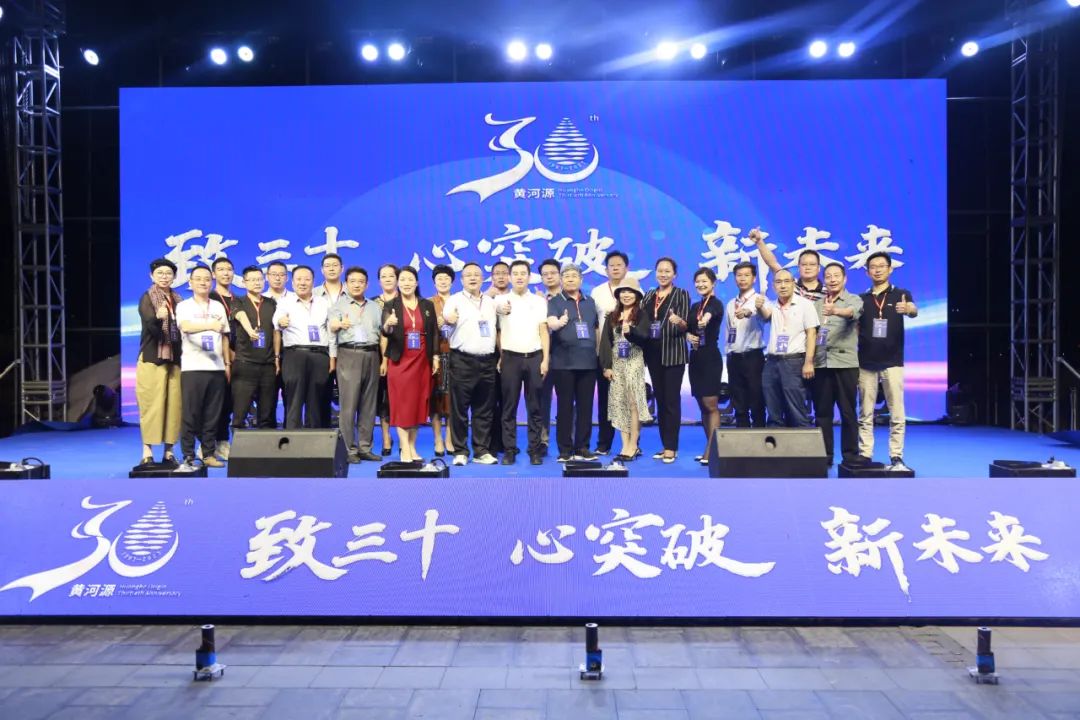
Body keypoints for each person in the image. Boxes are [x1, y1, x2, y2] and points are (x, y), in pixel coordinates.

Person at [857, 251, 917, 471]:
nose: (877, 270)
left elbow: (913, 311)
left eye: (882, 266)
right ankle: (865, 454)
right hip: (866, 363)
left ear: (890, 269)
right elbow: (856, 328)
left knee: (897, 412)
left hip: (893, 362)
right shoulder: (862, 299)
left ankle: (896, 456)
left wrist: (909, 309)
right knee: (865, 413)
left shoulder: (901, 294)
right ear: (867, 272)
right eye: (873, 267)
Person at [442, 262, 500, 465]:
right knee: (459, 408)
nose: (473, 278)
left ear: (482, 278)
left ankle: (481, 451)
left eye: (477, 274)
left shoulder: (491, 302)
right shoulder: (454, 300)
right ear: (462, 280)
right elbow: (445, 328)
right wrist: (447, 320)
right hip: (462, 360)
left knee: (484, 409)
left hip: (487, 361)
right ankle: (460, 451)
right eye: (468, 275)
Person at [381, 266, 439, 463]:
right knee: (401, 405)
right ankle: (404, 447)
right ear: (398, 283)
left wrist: (435, 357)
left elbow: (434, 332)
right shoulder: (391, 305)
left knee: (417, 405)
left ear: (416, 282)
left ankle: (412, 446)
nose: (406, 283)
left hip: (422, 360)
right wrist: (388, 324)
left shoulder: (427, 305)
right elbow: (385, 331)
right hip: (400, 361)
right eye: (402, 279)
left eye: (410, 279)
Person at [175, 265, 230, 468]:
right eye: (198, 279)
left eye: (207, 279)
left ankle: (208, 454)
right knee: (191, 414)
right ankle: (188, 455)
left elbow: (224, 336)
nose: (203, 282)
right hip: (193, 368)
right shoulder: (184, 306)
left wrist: (226, 363)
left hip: (216, 368)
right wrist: (209, 325)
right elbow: (186, 327)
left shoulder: (218, 306)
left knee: (212, 414)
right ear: (190, 282)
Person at [496, 260, 550, 466]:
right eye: (515, 273)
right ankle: (509, 450)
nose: (519, 277)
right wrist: (501, 355)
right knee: (509, 407)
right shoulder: (500, 301)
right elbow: (496, 331)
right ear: (510, 277)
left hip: (535, 357)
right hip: (510, 358)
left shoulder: (538, 301)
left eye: (523, 273)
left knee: (535, 407)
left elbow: (543, 330)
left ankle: (534, 450)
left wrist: (546, 359)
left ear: (529, 277)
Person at [329, 267, 384, 463]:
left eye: (361, 281)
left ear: (367, 285)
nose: (357, 285)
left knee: (369, 404)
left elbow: (382, 333)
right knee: (349, 404)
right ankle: (348, 449)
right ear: (346, 284)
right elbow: (331, 327)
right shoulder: (338, 306)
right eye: (352, 281)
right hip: (349, 354)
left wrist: (384, 359)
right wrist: (337, 325)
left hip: (372, 354)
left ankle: (364, 447)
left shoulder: (375, 307)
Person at [590, 251, 641, 455]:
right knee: (606, 400)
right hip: (605, 353)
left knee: (631, 401)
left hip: (631, 355)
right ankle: (604, 443)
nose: (616, 268)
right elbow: (594, 324)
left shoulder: (637, 290)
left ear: (626, 268)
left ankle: (633, 444)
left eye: (619, 265)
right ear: (606, 269)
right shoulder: (597, 292)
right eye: (612, 265)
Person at [547, 265, 600, 462]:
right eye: (566, 276)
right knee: (565, 407)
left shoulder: (590, 302)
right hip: (563, 363)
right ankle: (565, 449)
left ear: (581, 280)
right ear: (561, 280)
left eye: (574, 276)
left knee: (586, 408)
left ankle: (582, 448)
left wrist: (598, 354)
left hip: (588, 363)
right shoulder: (555, 301)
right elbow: (550, 323)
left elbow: (595, 329)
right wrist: (558, 323)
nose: (570, 279)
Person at [812, 262, 863, 466]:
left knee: (848, 411)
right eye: (828, 276)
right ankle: (824, 455)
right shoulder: (817, 304)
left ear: (844, 279)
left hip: (845, 364)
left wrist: (835, 311)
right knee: (822, 412)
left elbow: (852, 312)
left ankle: (850, 454)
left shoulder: (853, 299)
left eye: (836, 276)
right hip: (821, 364)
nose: (832, 279)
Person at [642, 257, 691, 463]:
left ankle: (672, 446)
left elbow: (686, 325)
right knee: (660, 400)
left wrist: (679, 322)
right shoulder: (649, 295)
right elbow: (641, 319)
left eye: (667, 271)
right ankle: (665, 444)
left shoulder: (681, 294)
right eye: (660, 271)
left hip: (673, 354)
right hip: (653, 354)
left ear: (674, 275)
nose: (663, 274)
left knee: (671, 400)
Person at [135, 258, 183, 467]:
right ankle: (147, 452)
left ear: (174, 277)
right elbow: (151, 326)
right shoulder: (147, 297)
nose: (164, 277)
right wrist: (159, 317)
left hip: (175, 359)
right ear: (151, 276)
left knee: (174, 406)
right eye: (160, 273)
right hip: (152, 358)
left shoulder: (178, 299)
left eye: (168, 273)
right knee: (151, 405)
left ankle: (169, 451)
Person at [758, 269, 819, 427]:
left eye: (787, 281)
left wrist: (809, 362)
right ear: (774, 286)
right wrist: (759, 306)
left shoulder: (805, 305)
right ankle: (776, 441)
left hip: (794, 361)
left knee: (796, 409)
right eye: (778, 282)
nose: (783, 286)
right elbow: (765, 315)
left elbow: (812, 333)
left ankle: (803, 442)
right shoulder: (773, 305)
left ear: (794, 284)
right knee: (773, 409)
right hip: (771, 361)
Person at [273, 265, 331, 429]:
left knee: (316, 401)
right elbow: (277, 320)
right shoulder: (285, 302)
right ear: (292, 282)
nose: (303, 283)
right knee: (294, 400)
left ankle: (314, 440)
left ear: (313, 281)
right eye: (299, 279)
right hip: (295, 355)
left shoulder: (323, 303)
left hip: (320, 355)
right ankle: (292, 439)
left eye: (307, 279)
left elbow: (330, 330)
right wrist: (280, 322)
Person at [598, 283, 651, 462]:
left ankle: (633, 445)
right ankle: (624, 444)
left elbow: (645, 338)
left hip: (634, 360)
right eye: (623, 292)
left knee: (633, 402)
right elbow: (605, 342)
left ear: (637, 295)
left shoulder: (642, 315)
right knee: (620, 402)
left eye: (630, 292)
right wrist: (606, 366)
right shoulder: (612, 316)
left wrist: (630, 332)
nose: (626, 295)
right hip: (617, 363)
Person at [232, 266, 279, 431]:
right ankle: (237, 445)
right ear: (244, 282)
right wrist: (250, 330)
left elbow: (276, 331)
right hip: (245, 363)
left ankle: (265, 446)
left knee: (267, 413)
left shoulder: (271, 303)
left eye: (259, 279)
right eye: (252, 280)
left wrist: (276, 358)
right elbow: (240, 315)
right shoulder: (238, 301)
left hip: (268, 364)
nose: (256, 283)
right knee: (240, 412)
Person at [686, 267, 725, 466]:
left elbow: (710, 314)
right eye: (698, 281)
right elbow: (688, 328)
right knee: (702, 405)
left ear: (713, 283)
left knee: (711, 404)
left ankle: (712, 449)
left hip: (710, 358)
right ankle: (711, 446)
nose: (701, 284)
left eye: (705, 281)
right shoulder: (695, 306)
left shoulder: (716, 303)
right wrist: (687, 334)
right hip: (695, 358)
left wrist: (705, 320)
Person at [724, 261, 767, 428]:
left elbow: (763, 315)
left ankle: (760, 438)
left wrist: (749, 312)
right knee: (738, 402)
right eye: (739, 275)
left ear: (754, 278)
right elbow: (729, 331)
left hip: (753, 357)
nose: (742, 279)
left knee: (757, 401)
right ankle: (742, 437)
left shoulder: (760, 300)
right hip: (733, 357)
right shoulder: (731, 303)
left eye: (746, 275)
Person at [210, 257, 238, 458]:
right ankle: (208, 443)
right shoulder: (210, 298)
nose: (225, 273)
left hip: (238, 359)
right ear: (213, 274)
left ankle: (222, 441)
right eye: (221, 269)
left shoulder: (238, 300)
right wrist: (227, 353)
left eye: (229, 269)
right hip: (215, 358)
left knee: (229, 402)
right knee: (215, 403)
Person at [751, 228, 826, 302]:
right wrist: (759, 241)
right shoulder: (790, 285)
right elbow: (772, 263)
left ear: (819, 268)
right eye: (804, 264)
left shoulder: (827, 292)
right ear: (799, 267)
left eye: (812, 264)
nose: (808, 267)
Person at [536, 258, 563, 455]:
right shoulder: (537, 300)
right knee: (542, 400)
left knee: (567, 399)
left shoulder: (570, 298)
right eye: (545, 274)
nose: (549, 277)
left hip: (566, 354)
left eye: (553, 273)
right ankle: (542, 441)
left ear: (560, 274)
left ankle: (566, 441)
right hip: (543, 355)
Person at [429, 265, 456, 457]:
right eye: (439, 278)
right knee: (436, 399)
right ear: (434, 282)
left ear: (452, 282)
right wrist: (435, 323)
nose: (443, 281)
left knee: (454, 398)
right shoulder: (428, 303)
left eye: (446, 278)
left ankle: (450, 438)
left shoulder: (459, 301)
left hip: (456, 355)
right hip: (436, 356)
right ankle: (438, 438)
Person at [374, 264, 399, 455]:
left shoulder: (407, 300)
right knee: (383, 398)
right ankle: (385, 438)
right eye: (384, 276)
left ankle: (405, 437)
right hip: (378, 355)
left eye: (391, 276)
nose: (388, 279)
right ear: (379, 280)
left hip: (402, 355)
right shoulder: (373, 303)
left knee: (400, 398)